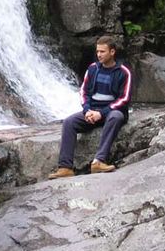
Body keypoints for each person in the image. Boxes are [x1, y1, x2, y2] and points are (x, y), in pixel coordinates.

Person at [49, 35, 132, 179]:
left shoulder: (124, 72)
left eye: (102, 51)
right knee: (69, 122)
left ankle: (99, 161)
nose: (99, 54)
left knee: (116, 116)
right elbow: (84, 92)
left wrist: (102, 113)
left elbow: (124, 98)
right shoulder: (93, 68)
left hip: (112, 111)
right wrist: (87, 110)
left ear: (112, 52)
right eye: (97, 51)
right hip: (92, 111)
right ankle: (65, 168)